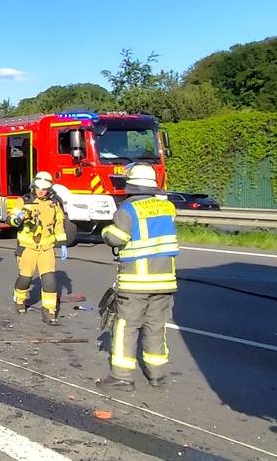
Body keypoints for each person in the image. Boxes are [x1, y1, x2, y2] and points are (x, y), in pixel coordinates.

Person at [97, 163, 180, 391]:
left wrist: (105, 230)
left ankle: (122, 376)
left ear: (131, 185)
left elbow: (117, 237)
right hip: (165, 282)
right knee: (156, 327)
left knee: (126, 326)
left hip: (136, 283)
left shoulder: (128, 210)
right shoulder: (168, 208)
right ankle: (158, 375)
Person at [9, 171, 68, 325]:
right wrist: (18, 218)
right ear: (33, 186)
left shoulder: (54, 203)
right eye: (38, 188)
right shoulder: (24, 201)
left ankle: (49, 312)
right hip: (27, 247)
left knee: (49, 281)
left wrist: (62, 244)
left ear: (50, 189)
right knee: (25, 279)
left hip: (46, 248)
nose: (41, 191)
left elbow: (59, 224)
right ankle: (19, 299)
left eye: (44, 189)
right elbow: (11, 220)